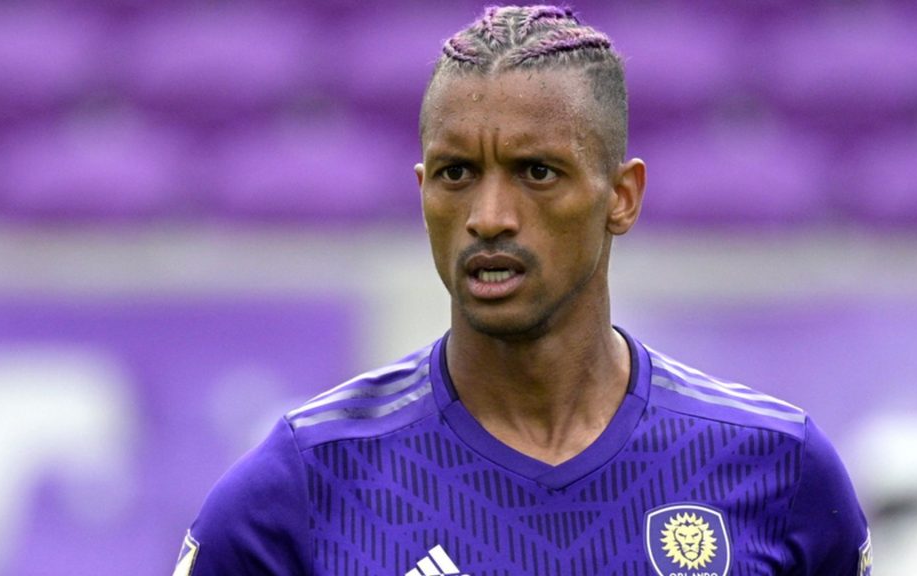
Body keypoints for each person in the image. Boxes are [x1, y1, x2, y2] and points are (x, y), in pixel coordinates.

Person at [173, 6, 871, 575]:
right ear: (422, 191)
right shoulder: (304, 485)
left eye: (537, 172)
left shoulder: (774, 469)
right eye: (455, 174)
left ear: (621, 197)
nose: (489, 217)